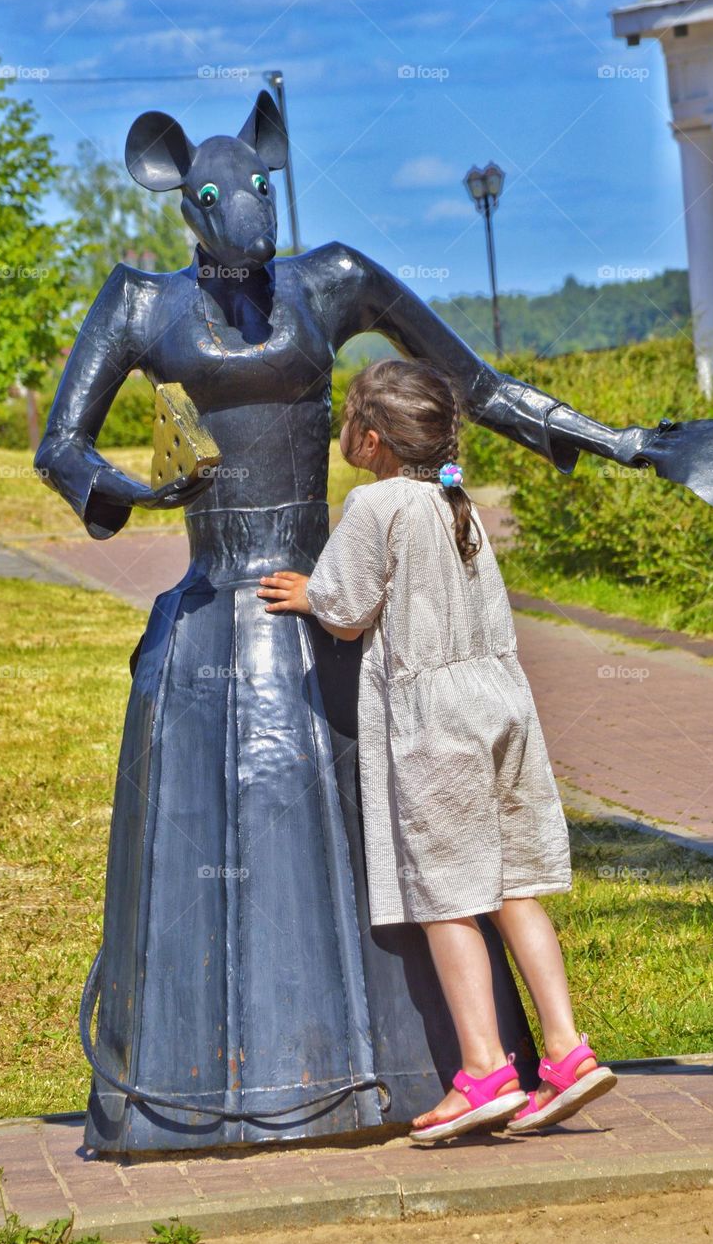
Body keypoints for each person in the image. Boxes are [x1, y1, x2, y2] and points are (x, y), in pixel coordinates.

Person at [256, 358, 618, 1144]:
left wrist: (307, 593)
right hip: (503, 705)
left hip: (436, 721)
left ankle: (483, 1069)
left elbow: (347, 613)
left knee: (446, 894)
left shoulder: (374, 502)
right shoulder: (458, 502)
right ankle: (566, 1052)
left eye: (348, 420)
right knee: (514, 882)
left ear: (372, 437)